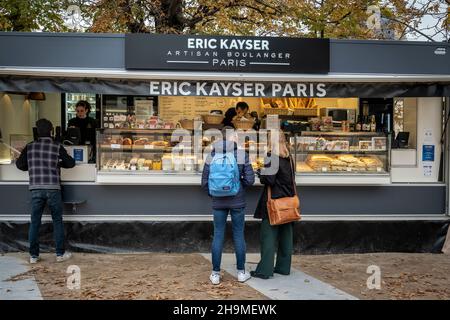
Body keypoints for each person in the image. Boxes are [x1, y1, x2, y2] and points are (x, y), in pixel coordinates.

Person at [16, 119, 76, 264]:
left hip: (36, 188)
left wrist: (31, 166)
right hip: (53, 188)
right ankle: (59, 254)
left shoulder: (29, 147)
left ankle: (33, 256)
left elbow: (19, 165)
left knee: (35, 221)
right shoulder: (56, 146)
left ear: (37, 130)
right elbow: (71, 163)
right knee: (57, 221)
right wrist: (59, 163)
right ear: (51, 131)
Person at [201, 126, 255, 285]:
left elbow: (204, 182)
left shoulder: (211, 154)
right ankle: (241, 273)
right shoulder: (241, 154)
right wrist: (238, 188)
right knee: (239, 235)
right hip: (237, 201)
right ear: (232, 138)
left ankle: (215, 274)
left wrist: (216, 194)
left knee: (218, 235)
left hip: (218, 202)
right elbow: (250, 180)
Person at [252, 129, 296, 279]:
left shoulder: (271, 156)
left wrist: (260, 173)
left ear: (271, 141)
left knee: (268, 237)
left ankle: (265, 270)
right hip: (288, 202)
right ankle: (283, 267)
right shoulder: (289, 158)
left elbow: (269, 180)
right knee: (286, 237)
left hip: (273, 203)